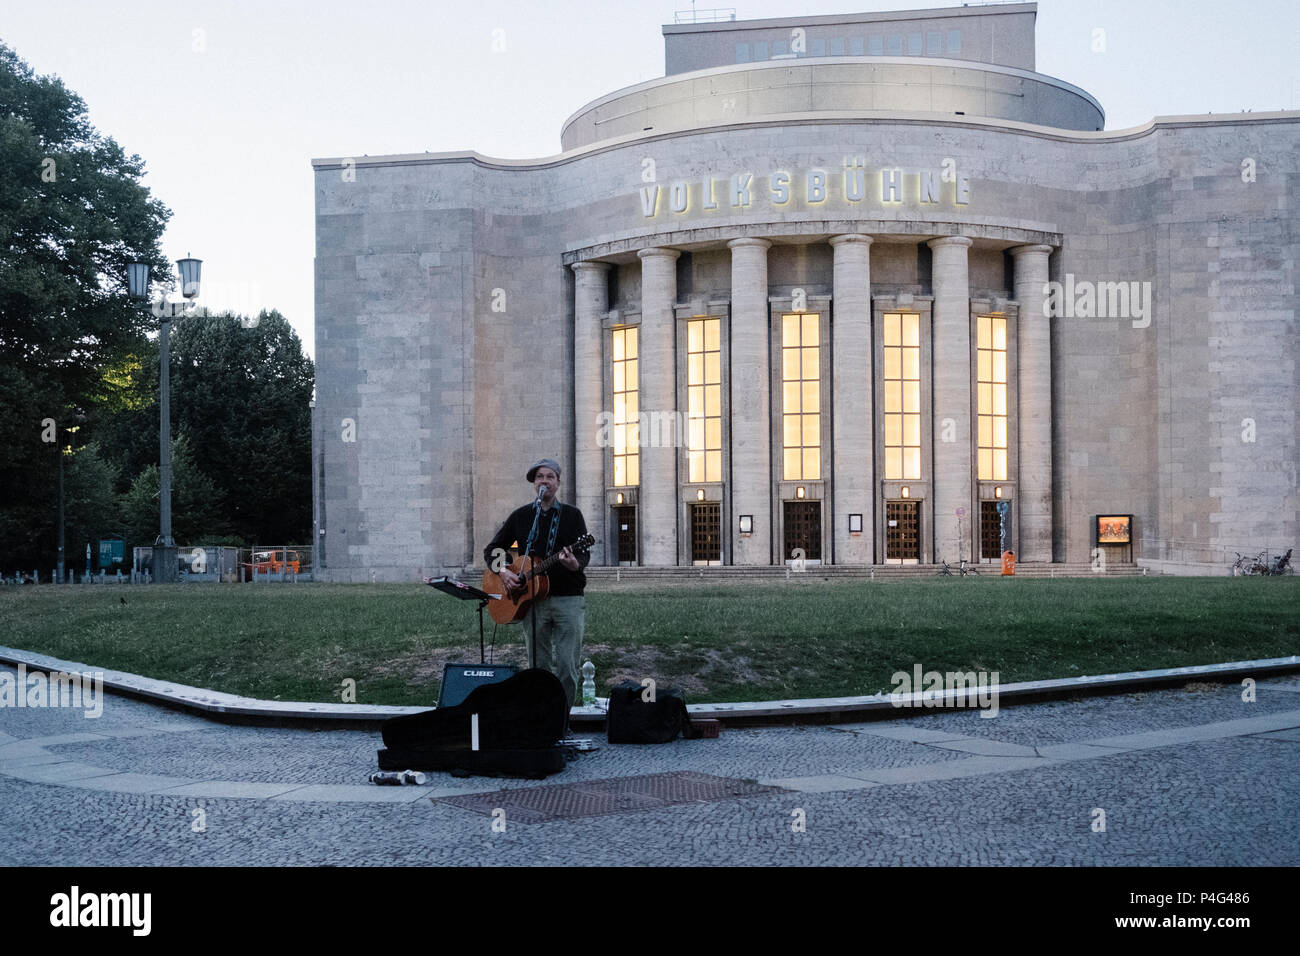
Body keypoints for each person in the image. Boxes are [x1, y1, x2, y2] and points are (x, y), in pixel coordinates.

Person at [483, 458, 589, 711]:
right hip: (531, 601)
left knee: (566, 664)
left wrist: (575, 563)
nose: (545, 481)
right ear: (534, 483)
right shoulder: (521, 516)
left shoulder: (572, 515)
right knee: (538, 665)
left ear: (558, 482)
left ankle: (563, 717)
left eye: (550, 476)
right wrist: (503, 572)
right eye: (540, 477)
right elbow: (493, 549)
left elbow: (583, 554)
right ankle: (541, 717)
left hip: (567, 598)